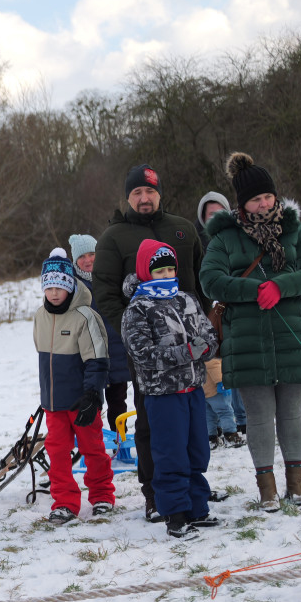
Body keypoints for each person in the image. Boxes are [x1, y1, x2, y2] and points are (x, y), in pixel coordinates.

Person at [200, 152, 301, 511]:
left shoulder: (294, 230)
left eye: (268, 196)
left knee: (291, 413)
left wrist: (282, 286)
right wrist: (253, 291)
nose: (264, 203)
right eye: (256, 199)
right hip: (247, 339)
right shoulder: (225, 238)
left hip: (291, 334)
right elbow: (210, 280)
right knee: (258, 415)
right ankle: (266, 487)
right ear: (242, 204)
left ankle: (296, 485)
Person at [92, 164, 207, 524]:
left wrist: (203, 329)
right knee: (150, 423)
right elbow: (106, 293)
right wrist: (132, 332)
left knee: (190, 425)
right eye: (137, 192)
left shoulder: (184, 229)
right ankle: (154, 494)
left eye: (150, 192)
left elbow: (200, 284)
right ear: (128, 197)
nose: (145, 198)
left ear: (160, 194)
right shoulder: (113, 237)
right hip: (149, 355)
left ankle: (191, 493)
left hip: (189, 353)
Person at [121, 241, 219, 539]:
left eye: (170, 268)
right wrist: (187, 352)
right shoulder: (138, 309)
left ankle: (197, 507)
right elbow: (144, 355)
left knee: (197, 451)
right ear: (145, 272)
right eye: (159, 270)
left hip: (193, 389)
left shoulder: (187, 300)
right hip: (163, 395)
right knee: (171, 455)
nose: (166, 274)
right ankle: (175, 514)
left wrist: (206, 348)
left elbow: (209, 334)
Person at [33, 249, 115, 525]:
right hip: (54, 403)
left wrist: (92, 394)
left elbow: (97, 359)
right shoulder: (39, 317)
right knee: (56, 453)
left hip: (82, 399)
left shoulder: (85, 317)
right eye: (49, 287)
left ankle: (102, 495)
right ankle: (65, 502)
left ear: (70, 286)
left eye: (60, 287)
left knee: (93, 448)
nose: (54, 293)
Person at [197, 190, 248, 439]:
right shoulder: (198, 245)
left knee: (237, 365)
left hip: (237, 311)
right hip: (210, 315)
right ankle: (215, 424)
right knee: (215, 370)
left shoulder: (240, 239)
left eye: (219, 212)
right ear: (203, 218)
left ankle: (243, 418)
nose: (214, 218)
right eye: (209, 214)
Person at [69, 233, 130, 430]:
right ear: (75, 260)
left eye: (91, 254)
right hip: (89, 352)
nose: (87, 260)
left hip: (116, 348)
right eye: (81, 257)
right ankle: (95, 442)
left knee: (118, 400)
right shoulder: (73, 286)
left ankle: (119, 435)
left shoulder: (111, 276)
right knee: (93, 400)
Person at [203, 358, 245, 449]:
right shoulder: (211, 355)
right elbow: (213, 365)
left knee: (209, 416)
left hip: (205, 391)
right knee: (225, 412)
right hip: (216, 391)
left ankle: (211, 438)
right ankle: (230, 435)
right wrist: (221, 382)